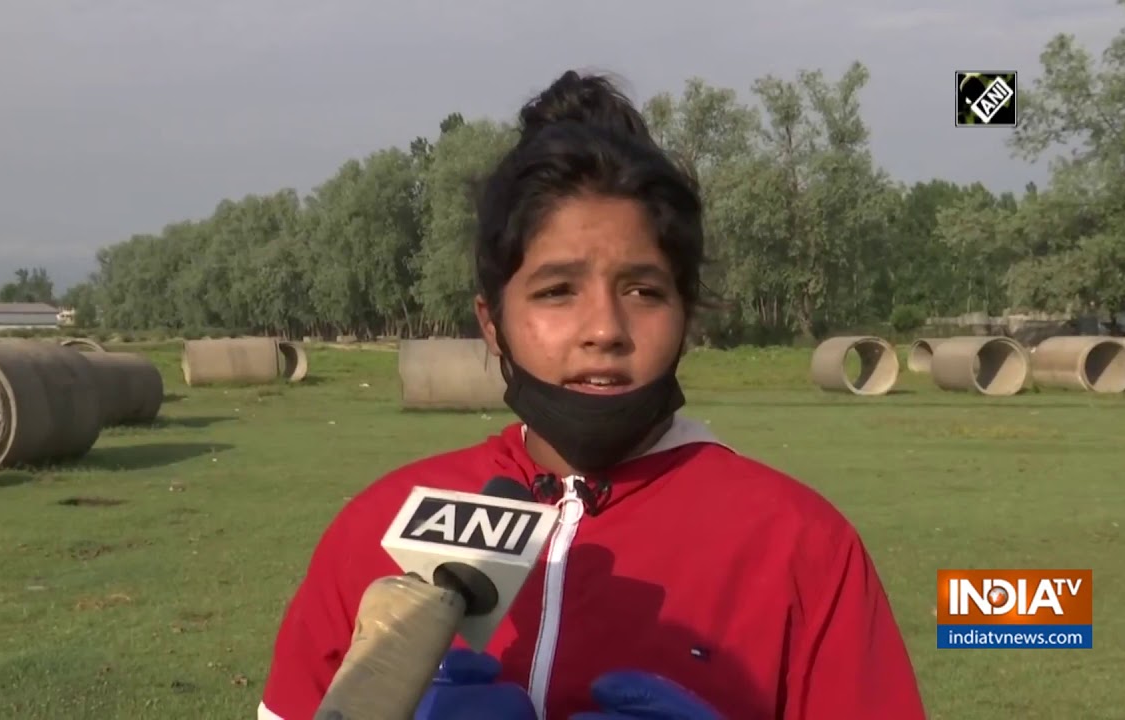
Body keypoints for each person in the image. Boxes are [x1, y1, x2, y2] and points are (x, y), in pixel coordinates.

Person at [258, 70, 927, 720]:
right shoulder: (374, 529)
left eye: (644, 289)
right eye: (557, 291)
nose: (605, 329)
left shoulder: (801, 546)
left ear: (686, 313)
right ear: (493, 323)